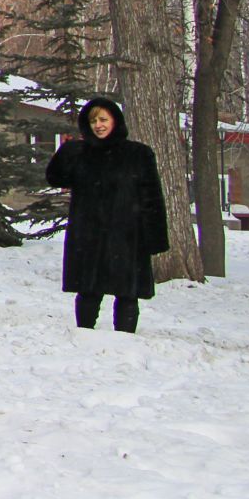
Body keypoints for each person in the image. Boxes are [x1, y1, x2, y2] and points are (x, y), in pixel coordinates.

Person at [45, 96, 170, 334]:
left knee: (126, 292)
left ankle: (124, 341)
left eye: (103, 119)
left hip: (126, 236)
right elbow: (55, 178)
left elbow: (151, 197)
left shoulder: (138, 154)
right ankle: (84, 336)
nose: (98, 125)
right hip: (88, 235)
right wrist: (67, 152)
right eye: (93, 121)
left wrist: (154, 237)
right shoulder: (81, 153)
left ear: (115, 120)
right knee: (88, 290)